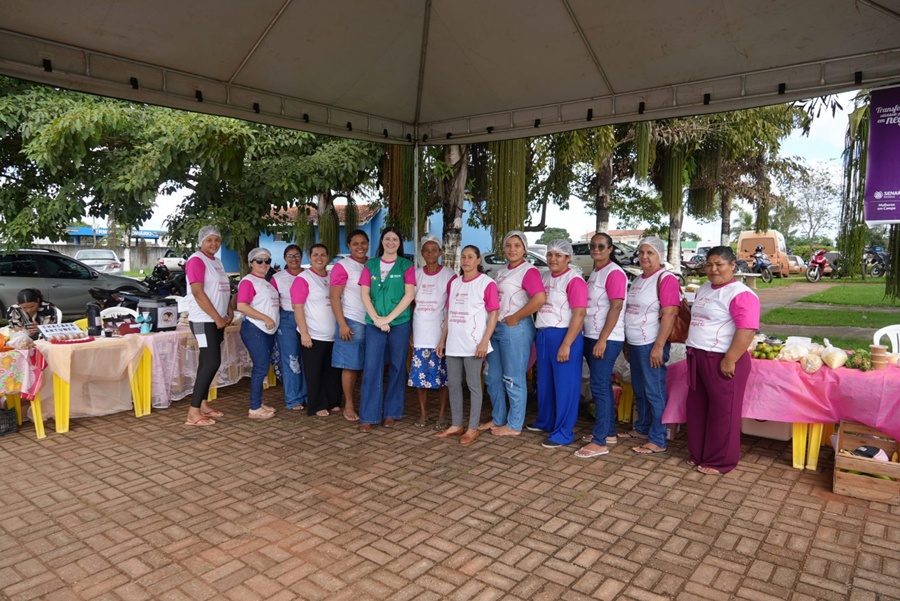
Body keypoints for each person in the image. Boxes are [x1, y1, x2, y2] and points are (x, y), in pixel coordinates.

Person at [686, 246, 760, 475]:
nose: (713, 269)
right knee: (698, 408)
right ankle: (699, 454)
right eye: (709, 264)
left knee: (723, 412)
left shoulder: (741, 293)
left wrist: (730, 359)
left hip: (723, 358)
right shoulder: (705, 289)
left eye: (719, 264)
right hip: (698, 355)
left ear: (732, 266)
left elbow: (747, 330)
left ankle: (720, 461)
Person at [482, 231, 546, 436]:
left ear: (525, 248)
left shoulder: (529, 271)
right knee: (492, 376)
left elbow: (539, 299)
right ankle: (498, 418)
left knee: (513, 377)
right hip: (497, 329)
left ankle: (514, 424)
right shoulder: (501, 272)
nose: (512, 249)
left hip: (515, 328)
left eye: (517, 245)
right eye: (508, 245)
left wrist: (516, 317)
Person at [435, 245, 499, 445]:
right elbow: (449, 313)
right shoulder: (454, 283)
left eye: (470, 257)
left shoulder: (486, 283)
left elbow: (494, 315)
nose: (466, 261)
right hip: (454, 342)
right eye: (463, 257)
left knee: (473, 385)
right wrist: (442, 339)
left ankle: (472, 428)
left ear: (478, 260)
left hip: (473, 344)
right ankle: (456, 424)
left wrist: (484, 341)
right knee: (453, 384)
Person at [623, 235, 680, 455]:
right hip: (636, 343)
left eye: (650, 253)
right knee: (640, 389)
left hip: (651, 344)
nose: (644, 257)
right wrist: (628, 343)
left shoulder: (666, 279)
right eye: (641, 252)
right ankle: (642, 428)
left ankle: (657, 439)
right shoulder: (638, 279)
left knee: (654, 390)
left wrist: (658, 346)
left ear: (660, 255)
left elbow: (670, 314)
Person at [528, 240, 587, 448]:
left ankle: (563, 431)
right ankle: (546, 420)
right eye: (550, 254)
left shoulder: (574, 280)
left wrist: (567, 344)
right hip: (544, 334)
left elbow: (579, 313)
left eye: (559, 255)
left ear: (568, 258)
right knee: (545, 383)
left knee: (565, 386)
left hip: (564, 335)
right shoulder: (544, 277)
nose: (553, 259)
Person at [357, 227, 416, 432]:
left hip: (399, 323)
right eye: (387, 239)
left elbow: (409, 296)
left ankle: (392, 412)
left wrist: (389, 319)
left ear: (400, 243)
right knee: (372, 366)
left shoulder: (406, 266)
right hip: (374, 324)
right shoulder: (370, 265)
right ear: (381, 242)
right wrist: (376, 319)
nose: (391, 242)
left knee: (398, 367)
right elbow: (364, 295)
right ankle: (368, 415)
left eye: (395, 239)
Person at [576, 232, 628, 459]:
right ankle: (608, 433)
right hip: (592, 334)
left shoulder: (614, 273)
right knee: (601, 386)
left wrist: (603, 339)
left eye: (601, 246)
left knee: (599, 386)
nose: (596, 249)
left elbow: (615, 307)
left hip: (605, 337)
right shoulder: (596, 272)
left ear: (610, 249)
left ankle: (599, 442)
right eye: (593, 246)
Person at [184, 226, 234, 426]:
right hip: (204, 321)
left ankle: (202, 404)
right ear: (201, 242)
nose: (214, 243)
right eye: (209, 240)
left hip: (217, 319)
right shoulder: (197, 260)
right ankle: (192, 413)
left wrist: (228, 309)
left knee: (207, 363)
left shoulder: (217, 262)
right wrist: (217, 318)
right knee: (212, 362)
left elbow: (222, 290)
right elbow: (198, 292)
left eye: (217, 240)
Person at [408, 234, 453, 428]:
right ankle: (423, 414)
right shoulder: (415, 274)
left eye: (434, 250)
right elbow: (409, 304)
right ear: (422, 253)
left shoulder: (450, 275)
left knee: (443, 377)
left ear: (440, 252)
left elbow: (453, 307)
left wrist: (446, 334)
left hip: (440, 333)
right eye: (426, 250)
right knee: (420, 377)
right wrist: (410, 330)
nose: (430, 253)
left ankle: (442, 415)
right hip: (420, 331)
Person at [291, 244, 342, 417]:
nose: (319, 258)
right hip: (313, 334)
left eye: (322, 254)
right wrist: (304, 333)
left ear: (328, 257)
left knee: (332, 371)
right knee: (314, 372)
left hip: (332, 335)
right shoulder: (303, 278)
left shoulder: (331, 277)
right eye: (315, 255)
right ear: (309, 256)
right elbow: (297, 307)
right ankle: (317, 404)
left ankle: (333, 401)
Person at [329, 229, 370, 421]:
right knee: (350, 366)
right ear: (348, 246)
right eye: (355, 243)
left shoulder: (373, 264)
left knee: (368, 366)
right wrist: (342, 324)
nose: (360, 247)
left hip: (372, 322)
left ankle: (368, 405)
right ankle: (349, 405)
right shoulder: (343, 266)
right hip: (351, 321)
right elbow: (335, 297)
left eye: (363, 243)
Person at [236, 247, 281, 420]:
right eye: (259, 261)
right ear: (251, 263)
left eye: (267, 261)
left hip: (267, 331)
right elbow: (242, 306)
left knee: (263, 367)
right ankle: (254, 408)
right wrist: (265, 318)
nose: (264, 264)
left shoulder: (267, 283)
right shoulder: (249, 281)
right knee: (261, 367)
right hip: (255, 329)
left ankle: (258, 402)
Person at [271, 244, 309, 411]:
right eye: (290, 256)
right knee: (292, 359)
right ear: (285, 259)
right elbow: (271, 300)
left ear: (302, 257)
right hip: (287, 319)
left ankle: (309, 394)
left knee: (307, 358)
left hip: (309, 319)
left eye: (297, 255)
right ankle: (293, 399)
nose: (294, 259)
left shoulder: (309, 274)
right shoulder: (278, 278)